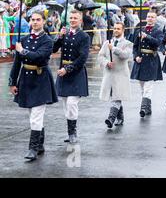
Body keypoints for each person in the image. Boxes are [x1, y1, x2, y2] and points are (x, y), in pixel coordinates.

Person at [8, 11, 58, 161]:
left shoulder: (47, 41)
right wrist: (12, 82)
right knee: (33, 115)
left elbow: (39, 57)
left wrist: (22, 50)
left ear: (43, 21)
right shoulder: (23, 39)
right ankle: (40, 144)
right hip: (26, 80)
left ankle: (33, 148)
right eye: (32, 20)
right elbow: (17, 63)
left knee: (36, 116)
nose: (35, 22)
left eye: (38, 20)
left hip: (41, 79)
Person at [53, 9, 90, 143]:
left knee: (71, 103)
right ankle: (69, 133)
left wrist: (67, 69)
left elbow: (82, 58)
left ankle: (73, 132)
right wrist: (59, 37)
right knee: (65, 104)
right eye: (71, 18)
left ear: (80, 20)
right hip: (63, 73)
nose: (73, 20)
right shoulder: (65, 34)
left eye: (75, 18)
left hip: (76, 72)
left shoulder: (84, 37)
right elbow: (53, 49)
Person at [98, 22, 133, 128]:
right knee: (116, 96)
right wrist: (106, 63)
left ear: (123, 30)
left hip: (121, 75)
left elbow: (125, 55)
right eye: (115, 28)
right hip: (109, 74)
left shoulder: (128, 43)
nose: (116, 30)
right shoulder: (106, 43)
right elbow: (100, 56)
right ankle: (120, 117)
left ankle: (111, 118)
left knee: (117, 97)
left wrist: (113, 48)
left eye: (118, 28)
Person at [130, 12, 164, 117]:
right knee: (143, 87)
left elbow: (158, 43)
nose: (150, 19)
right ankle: (148, 107)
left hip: (151, 60)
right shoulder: (139, 30)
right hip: (141, 61)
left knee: (148, 87)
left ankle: (143, 109)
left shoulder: (158, 31)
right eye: (148, 17)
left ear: (155, 19)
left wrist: (147, 37)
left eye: (152, 17)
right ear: (146, 18)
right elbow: (135, 47)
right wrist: (136, 57)